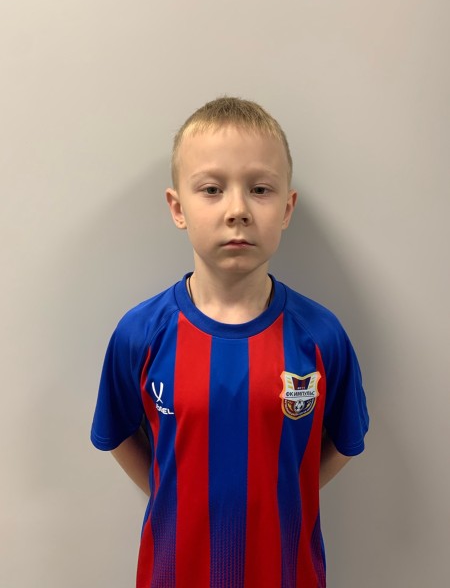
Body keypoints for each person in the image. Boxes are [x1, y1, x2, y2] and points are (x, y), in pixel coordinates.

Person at [91, 96, 369, 588]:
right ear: (178, 208)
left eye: (260, 189)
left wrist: (285, 493)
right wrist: (171, 491)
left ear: (286, 208)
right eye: (212, 189)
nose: (237, 210)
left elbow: (344, 441)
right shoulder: (140, 334)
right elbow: (116, 434)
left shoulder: (321, 336)